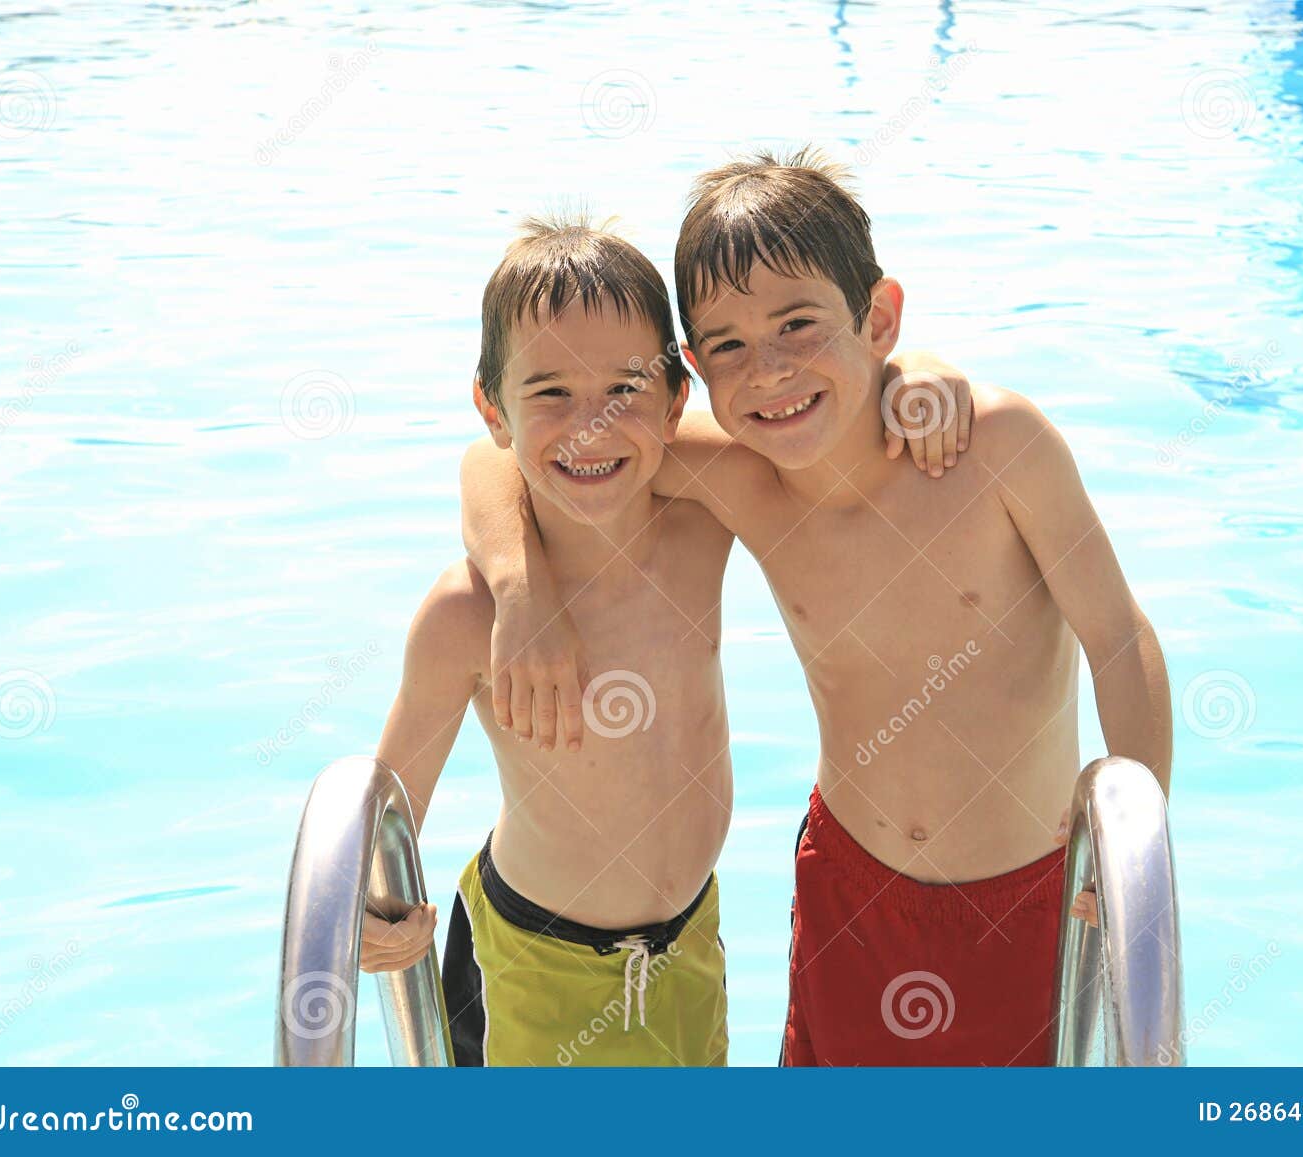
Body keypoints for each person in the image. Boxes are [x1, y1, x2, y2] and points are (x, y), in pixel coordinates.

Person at [460, 149, 1172, 1066]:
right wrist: (520, 592)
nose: (770, 372)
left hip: (1030, 896)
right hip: (852, 894)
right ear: (691, 371)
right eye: (728, 347)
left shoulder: (992, 447)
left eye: (800, 326)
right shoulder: (737, 471)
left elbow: (1118, 634)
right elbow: (505, 453)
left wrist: (1134, 856)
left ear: (877, 318)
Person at [360, 213, 973, 1066]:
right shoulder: (469, 615)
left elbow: (818, 417)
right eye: (551, 394)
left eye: (624, 389)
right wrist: (370, 921)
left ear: (677, 396)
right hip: (537, 965)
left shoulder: (699, 522)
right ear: (491, 406)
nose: (591, 427)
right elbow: (386, 806)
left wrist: (917, 369)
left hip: (688, 942)